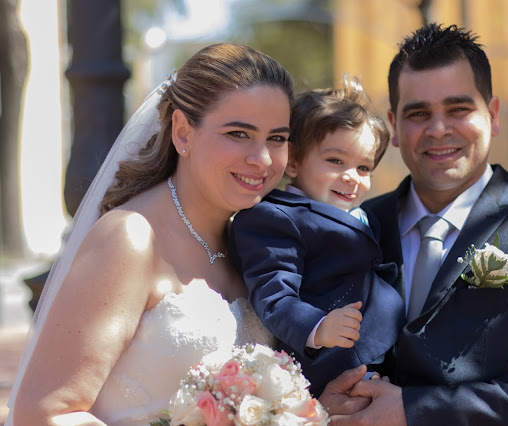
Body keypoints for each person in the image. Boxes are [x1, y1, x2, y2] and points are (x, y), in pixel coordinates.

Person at [326, 23, 508, 425]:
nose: (438, 129)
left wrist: (416, 410)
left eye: (458, 109)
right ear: (394, 126)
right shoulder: (353, 224)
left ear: (492, 115)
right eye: (418, 113)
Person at [7, 43, 295, 425]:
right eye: (239, 133)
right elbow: (43, 411)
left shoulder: (255, 243)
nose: (262, 159)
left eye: (277, 139)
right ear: (183, 133)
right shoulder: (131, 238)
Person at [228, 75, 404, 396]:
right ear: (293, 161)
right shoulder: (275, 218)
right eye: (335, 161)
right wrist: (318, 326)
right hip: (327, 366)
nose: (352, 177)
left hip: (378, 354)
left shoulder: (362, 214)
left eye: (364, 168)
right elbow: (274, 296)